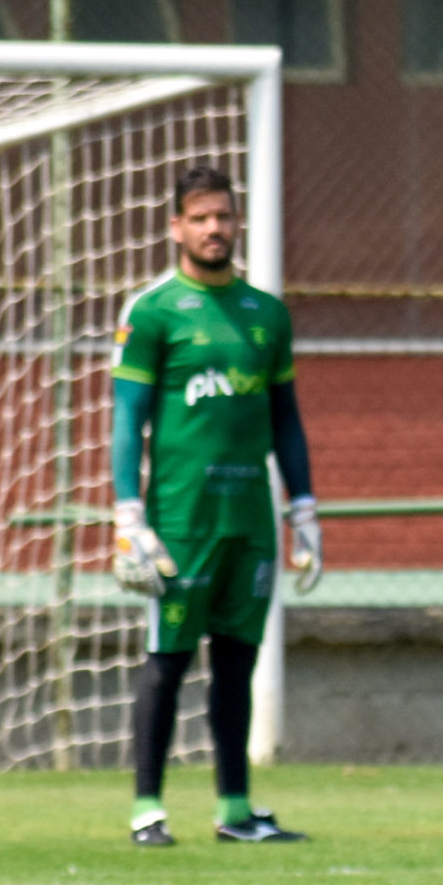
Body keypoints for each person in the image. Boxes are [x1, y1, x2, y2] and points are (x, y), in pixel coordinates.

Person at [110, 162, 321, 846]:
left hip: (249, 519)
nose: (213, 228)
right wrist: (127, 512)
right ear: (176, 227)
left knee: (237, 660)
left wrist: (305, 509)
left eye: (223, 216)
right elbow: (126, 416)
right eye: (199, 217)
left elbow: (286, 420)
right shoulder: (153, 312)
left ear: (237, 223)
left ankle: (236, 809)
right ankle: (148, 807)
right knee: (167, 658)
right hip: (180, 518)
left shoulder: (268, 314)